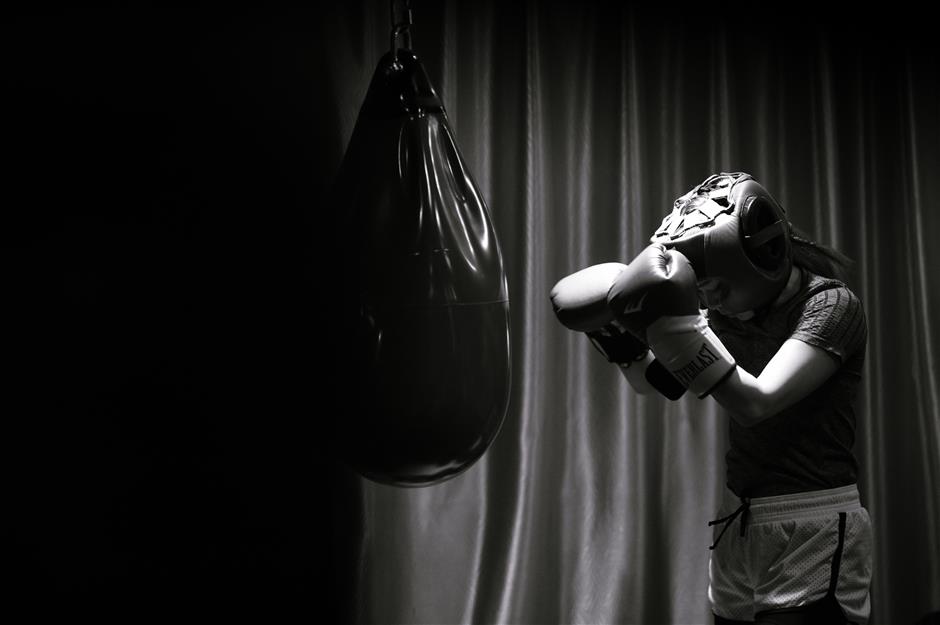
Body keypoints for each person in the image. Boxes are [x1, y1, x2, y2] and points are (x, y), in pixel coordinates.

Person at [551, 172, 872, 624]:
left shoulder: (832, 306)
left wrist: (678, 329)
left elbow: (756, 402)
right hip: (737, 519)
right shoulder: (722, 311)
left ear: (760, 259)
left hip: (813, 523)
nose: (712, 302)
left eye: (717, 288)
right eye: (703, 291)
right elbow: (657, 383)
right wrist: (618, 335)